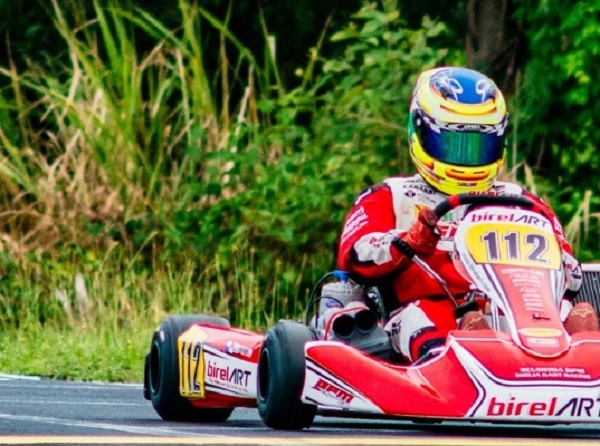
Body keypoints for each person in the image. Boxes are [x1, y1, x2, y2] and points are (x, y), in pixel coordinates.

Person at [336, 66, 596, 364]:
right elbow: (355, 253)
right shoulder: (390, 196)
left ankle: (585, 364)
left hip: (522, 313)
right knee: (425, 319)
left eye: (478, 145)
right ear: (419, 130)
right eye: (453, 144)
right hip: (430, 310)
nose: (467, 158)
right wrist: (407, 241)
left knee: (575, 315)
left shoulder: (523, 202)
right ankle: (465, 366)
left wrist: (563, 264)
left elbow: (571, 273)